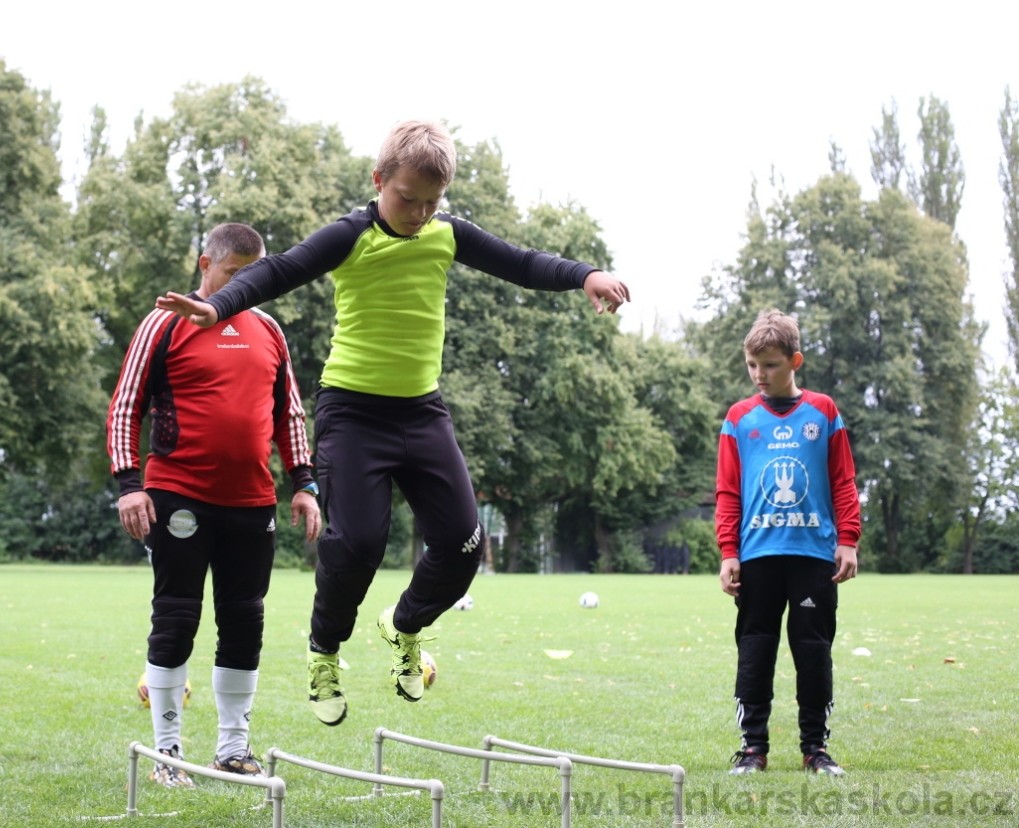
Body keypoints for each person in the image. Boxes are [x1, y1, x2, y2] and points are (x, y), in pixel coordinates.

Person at [157, 120, 629, 727]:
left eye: (432, 202)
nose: (419, 212)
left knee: (464, 546)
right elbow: (277, 271)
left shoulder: (446, 235)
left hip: (422, 412)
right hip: (353, 411)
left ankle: (403, 626)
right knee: (357, 543)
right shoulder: (351, 235)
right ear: (380, 180)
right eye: (408, 198)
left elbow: (523, 262)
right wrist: (217, 304)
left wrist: (584, 273)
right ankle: (324, 648)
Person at [107, 223, 321, 787]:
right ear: (206, 264)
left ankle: (232, 750)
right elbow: (125, 407)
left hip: (251, 503)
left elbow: (290, 415)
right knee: (177, 615)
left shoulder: (270, 330)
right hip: (177, 496)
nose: (243, 287)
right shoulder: (164, 321)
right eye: (233, 274)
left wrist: (304, 482)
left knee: (244, 621)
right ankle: (168, 754)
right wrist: (130, 486)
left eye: (254, 276)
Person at [715, 309, 860, 777]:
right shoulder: (738, 418)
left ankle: (815, 750)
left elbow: (843, 480)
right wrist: (729, 553)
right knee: (755, 650)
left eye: (771, 364)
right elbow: (728, 491)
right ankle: (753, 749)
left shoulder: (824, 412)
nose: (760, 374)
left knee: (813, 652)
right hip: (756, 556)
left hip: (814, 556)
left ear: (794, 360)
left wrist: (849, 540)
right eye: (753, 365)